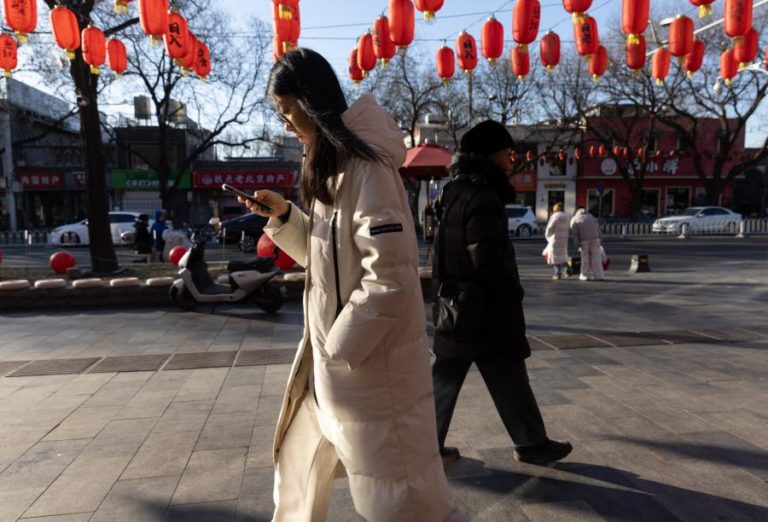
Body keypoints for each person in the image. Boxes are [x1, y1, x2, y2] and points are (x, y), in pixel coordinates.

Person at [239, 48, 466, 522]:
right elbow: (330, 262)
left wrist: (339, 348)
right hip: (333, 376)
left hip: (369, 377)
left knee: (404, 503)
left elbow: (390, 276)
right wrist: (284, 216)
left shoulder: (366, 169)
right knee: (298, 475)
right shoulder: (335, 165)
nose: (286, 124)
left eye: (287, 112)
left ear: (310, 101)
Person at [432, 120, 573, 466]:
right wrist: (512, 291)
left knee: (451, 379)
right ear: (492, 156)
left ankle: (529, 442)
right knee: (505, 375)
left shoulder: (453, 191)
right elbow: (488, 256)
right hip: (485, 308)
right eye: (507, 154)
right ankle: (531, 444)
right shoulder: (483, 195)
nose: (511, 162)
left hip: (456, 304)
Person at [570, 206, 604, 281]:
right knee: (596, 257)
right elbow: (597, 228)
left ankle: (584, 275)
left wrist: (577, 243)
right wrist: (600, 239)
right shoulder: (591, 216)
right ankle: (599, 275)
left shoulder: (574, 219)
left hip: (584, 240)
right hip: (595, 238)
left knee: (585, 258)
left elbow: (575, 233)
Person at [544, 202, 570, 279]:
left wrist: (548, 236)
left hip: (555, 238)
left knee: (555, 256)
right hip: (564, 239)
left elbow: (550, 228)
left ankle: (557, 274)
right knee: (562, 255)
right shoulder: (567, 217)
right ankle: (568, 269)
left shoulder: (555, 217)